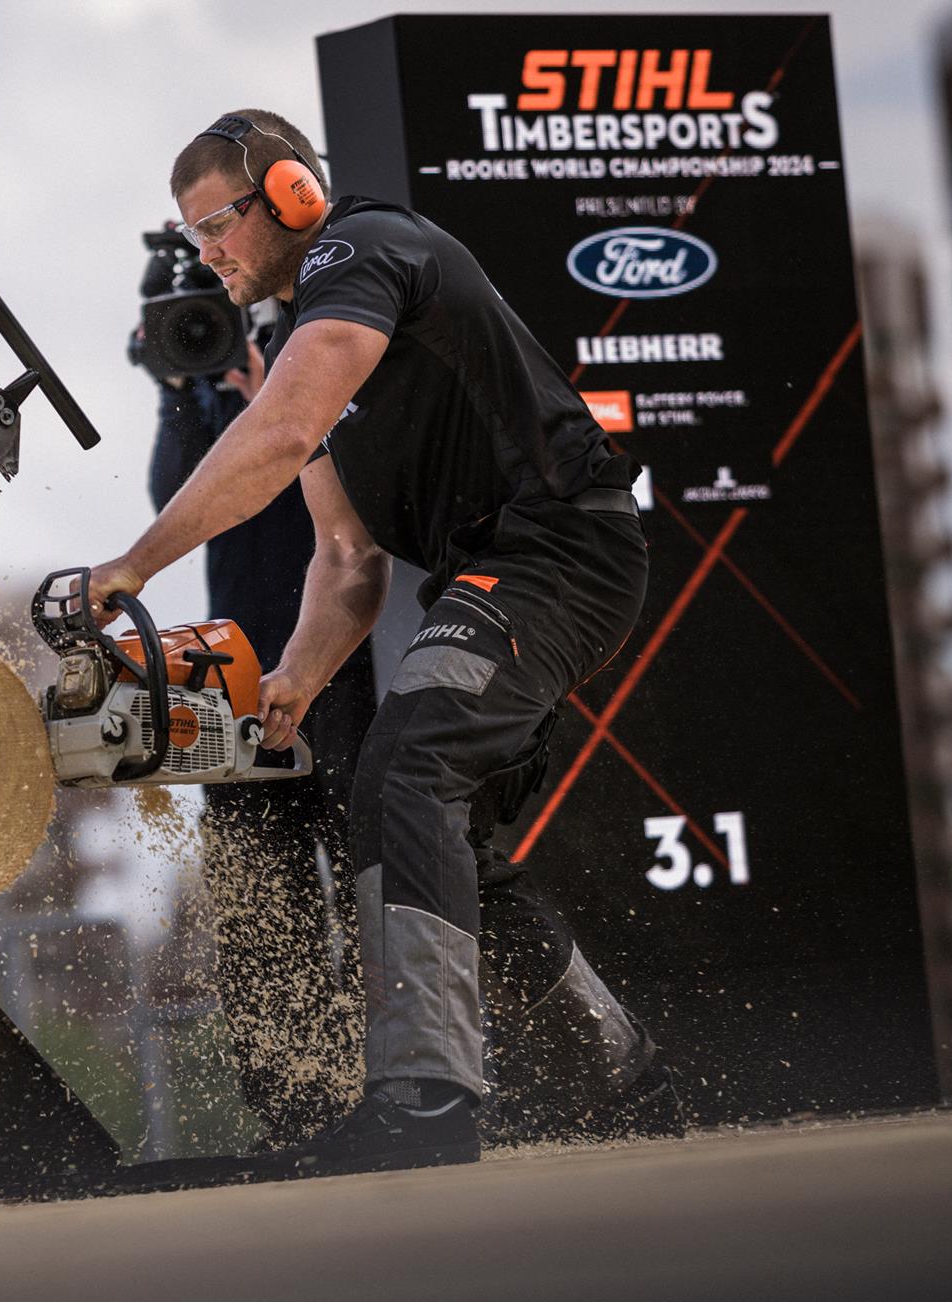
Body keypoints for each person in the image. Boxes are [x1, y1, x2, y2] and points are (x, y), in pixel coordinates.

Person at [85, 109, 675, 1172]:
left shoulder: (366, 250)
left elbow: (277, 437)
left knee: (404, 771)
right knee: (436, 833)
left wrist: (132, 564)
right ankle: (625, 1079)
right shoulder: (285, 337)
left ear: (290, 196)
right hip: (495, 569)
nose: (206, 252)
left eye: (217, 224)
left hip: (559, 551)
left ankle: (424, 1104)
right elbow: (345, 560)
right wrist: (295, 684)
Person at [145, 299, 376, 1146]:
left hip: (350, 664)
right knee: (256, 902)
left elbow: (342, 513)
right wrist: (186, 390)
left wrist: (275, 401)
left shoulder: (329, 337)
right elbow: (177, 496)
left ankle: (393, 1084)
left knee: (371, 883)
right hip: (234, 677)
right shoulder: (207, 382)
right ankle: (293, 1113)